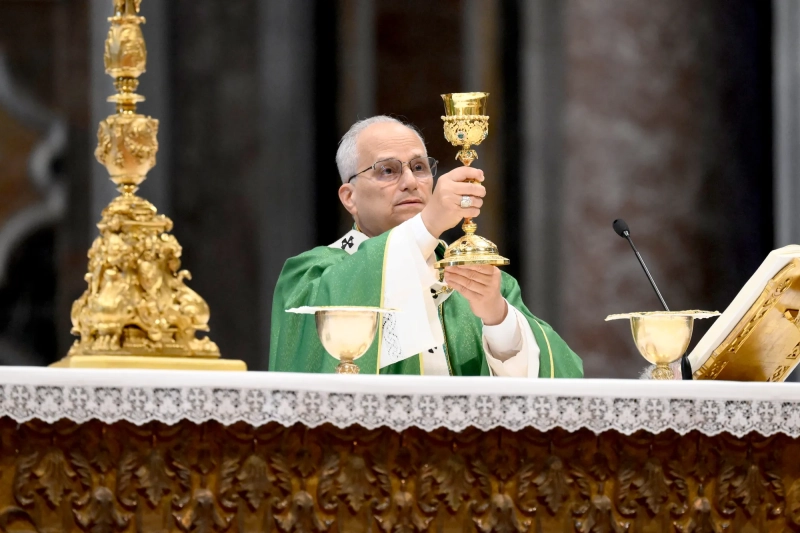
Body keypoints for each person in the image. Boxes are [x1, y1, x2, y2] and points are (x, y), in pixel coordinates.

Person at [269, 116, 583, 377]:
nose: (410, 182)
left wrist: (496, 317)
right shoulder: (311, 276)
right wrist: (429, 224)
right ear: (350, 197)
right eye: (388, 170)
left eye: (419, 167)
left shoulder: (474, 275)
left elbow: (562, 378)